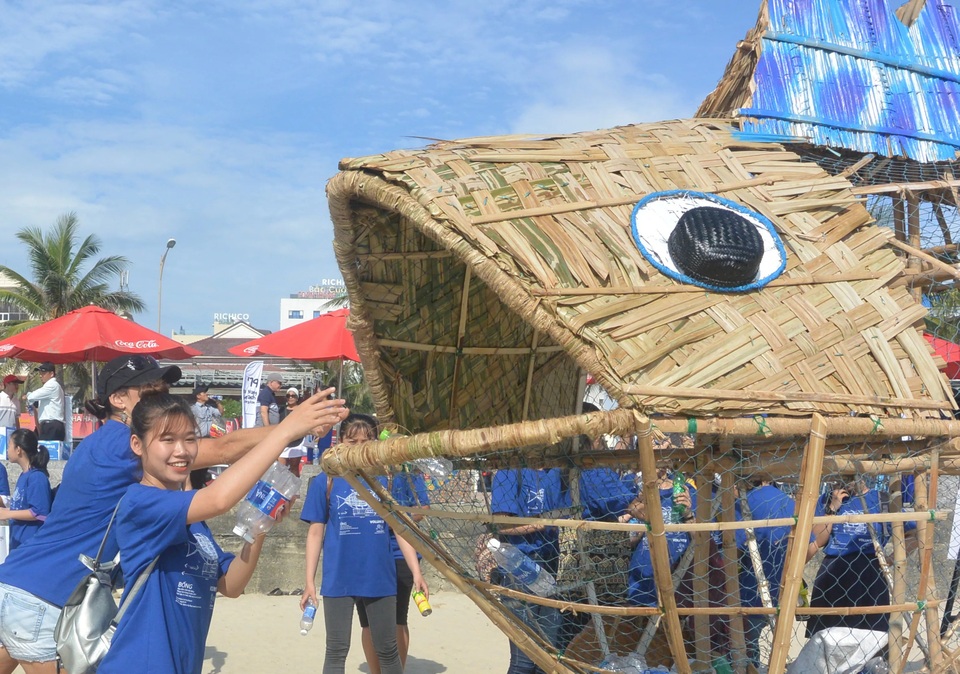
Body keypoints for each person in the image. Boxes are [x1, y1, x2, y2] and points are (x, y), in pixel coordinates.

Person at [0, 354, 348, 674]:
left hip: (22, 579)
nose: (161, 398)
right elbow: (222, 456)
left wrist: (260, 519)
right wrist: (291, 428)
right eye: (150, 392)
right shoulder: (123, 444)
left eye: (164, 390)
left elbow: (230, 580)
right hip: (46, 593)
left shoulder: (106, 447)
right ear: (118, 400)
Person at [97, 390, 334, 674]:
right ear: (137, 444)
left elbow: (231, 585)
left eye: (189, 439)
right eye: (167, 440)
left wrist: (260, 524)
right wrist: (285, 431)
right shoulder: (140, 502)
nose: (181, 451)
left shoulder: (194, 522)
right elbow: (219, 499)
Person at [300, 414, 429, 674]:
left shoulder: (386, 480)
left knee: (388, 650)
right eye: (352, 441)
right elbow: (315, 533)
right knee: (336, 650)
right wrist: (309, 582)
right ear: (340, 441)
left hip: (379, 575)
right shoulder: (325, 480)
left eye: (366, 440)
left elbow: (400, 529)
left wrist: (416, 572)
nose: (359, 447)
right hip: (338, 576)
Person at [805, 478, 917, 638]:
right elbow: (817, 540)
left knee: (871, 636)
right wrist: (832, 508)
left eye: (851, 476)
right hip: (833, 570)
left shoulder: (883, 500)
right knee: (826, 636)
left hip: (870, 569)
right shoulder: (828, 498)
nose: (846, 481)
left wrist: (890, 559)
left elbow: (915, 534)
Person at [359, 457, 432, 674]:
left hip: (402, 552)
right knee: (368, 620)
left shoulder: (407, 472)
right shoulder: (362, 473)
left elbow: (423, 509)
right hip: (370, 551)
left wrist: (396, 517)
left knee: (399, 617)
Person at [490, 466, 564, 674]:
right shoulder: (510, 471)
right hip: (520, 566)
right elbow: (502, 524)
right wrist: (540, 524)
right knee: (524, 660)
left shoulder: (555, 471)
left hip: (550, 563)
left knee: (547, 659)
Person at [733, 479, 795, 669]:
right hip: (784, 588)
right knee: (777, 646)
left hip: (750, 589)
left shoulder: (746, 502)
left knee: (746, 647)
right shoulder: (790, 502)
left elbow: (733, 549)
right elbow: (811, 546)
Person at [26, 363, 64, 442]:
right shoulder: (52, 387)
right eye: (40, 373)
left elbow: (32, 396)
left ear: (51, 374)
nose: (40, 376)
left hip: (51, 425)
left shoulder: (52, 385)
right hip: (51, 425)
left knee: (46, 449)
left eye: (43, 373)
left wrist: (27, 395)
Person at [278, 387, 308, 476]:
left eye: (293, 396)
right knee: (281, 467)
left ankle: (295, 484)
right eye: (288, 396)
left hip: (297, 441)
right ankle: (282, 484)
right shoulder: (281, 410)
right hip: (284, 441)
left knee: (294, 467)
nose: (290, 398)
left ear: (297, 398)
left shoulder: (301, 410)